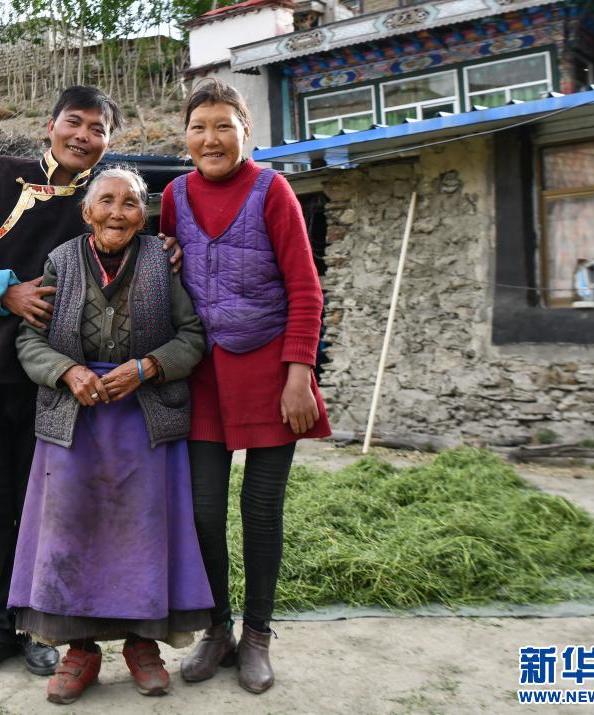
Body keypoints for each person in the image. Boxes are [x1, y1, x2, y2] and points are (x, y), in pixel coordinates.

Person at [0, 86, 146, 679]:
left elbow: (146, 226)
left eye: (97, 129)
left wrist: (169, 246)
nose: (83, 136)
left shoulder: (104, 202)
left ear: (108, 142)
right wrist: (5, 291)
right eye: (74, 122)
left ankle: (34, 626)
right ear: (51, 126)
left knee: (45, 507)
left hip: (52, 382)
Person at [11, 168, 212, 705]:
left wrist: (148, 367)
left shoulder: (161, 262)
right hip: (73, 418)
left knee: (141, 533)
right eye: (106, 201)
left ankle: (142, 645)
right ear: (86, 211)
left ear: (144, 216)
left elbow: (192, 336)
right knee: (72, 531)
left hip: (144, 417)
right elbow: (29, 341)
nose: (117, 213)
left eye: (130, 203)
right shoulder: (60, 261)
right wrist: (67, 372)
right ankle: (80, 651)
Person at [159, 78, 332, 694]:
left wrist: (299, 375)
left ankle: (257, 634)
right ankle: (218, 629)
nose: (211, 139)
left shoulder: (272, 190)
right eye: (199, 127)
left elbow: (306, 289)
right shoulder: (174, 196)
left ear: (245, 132)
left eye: (223, 127)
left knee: (260, 509)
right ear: (185, 136)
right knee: (203, 511)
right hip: (202, 375)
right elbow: (167, 273)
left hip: (269, 372)